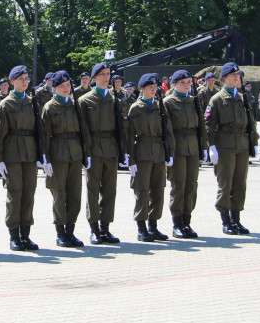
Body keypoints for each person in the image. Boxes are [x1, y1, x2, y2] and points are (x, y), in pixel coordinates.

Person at [204, 62, 258, 235]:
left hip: (242, 143)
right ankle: (225, 221)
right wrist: (211, 146)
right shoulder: (217, 99)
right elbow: (208, 124)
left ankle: (236, 219)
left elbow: (251, 121)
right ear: (224, 78)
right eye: (233, 75)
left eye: (238, 75)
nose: (237, 78)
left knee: (240, 183)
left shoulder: (243, 97)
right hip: (225, 144)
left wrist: (254, 142)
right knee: (225, 183)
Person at [0, 65, 41, 251]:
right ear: (12, 81)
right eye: (20, 78)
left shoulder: (32, 103)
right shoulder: (6, 104)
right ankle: (14, 235)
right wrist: (0, 159)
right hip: (12, 154)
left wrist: (40, 155)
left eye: (26, 78)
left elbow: (38, 132)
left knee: (29, 194)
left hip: (29, 154)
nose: (24, 81)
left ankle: (26, 235)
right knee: (15, 194)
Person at [77, 62, 126, 244]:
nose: (106, 77)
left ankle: (106, 228)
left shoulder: (114, 100)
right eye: (102, 74)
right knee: (93, 189)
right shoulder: (85, 101)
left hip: (111, 148)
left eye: (108, 74)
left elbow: (121, 128)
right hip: (94, 148)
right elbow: (83, 130)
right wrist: (86, 153)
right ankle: (94, 228)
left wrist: (123, 151)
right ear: (94, 78)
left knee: (109, 190)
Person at [41, 70, 90, 248]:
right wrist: (45, 159)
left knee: (75, 194)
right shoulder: (49, 107)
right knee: (59, 194)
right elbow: (45, 135)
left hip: (75, 154)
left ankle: (71, 230)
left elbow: (83, 132)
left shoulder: (75, 105)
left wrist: (86, 155)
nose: (66, 89)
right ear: (54, 88)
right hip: (58, 154)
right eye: (61, 86)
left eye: (68, 85)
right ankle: (60, 232)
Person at [126, 73, 174, 241]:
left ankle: (153, 226)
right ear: (142, 89)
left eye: (155, 88)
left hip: (158, 153)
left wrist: (169, 153)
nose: (153, 90)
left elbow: (167, 131)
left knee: (158, 190)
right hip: (142, 152)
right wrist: (131, 159)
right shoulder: (136, 108)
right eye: (150, 88)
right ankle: (141, 227)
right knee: (142, 190)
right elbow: (129, 135)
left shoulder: (160, 107)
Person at [163, 70, 204, 239]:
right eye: (182, 83)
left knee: (191, 185)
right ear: (174, 84)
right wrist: (169, 151)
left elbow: (200, 125)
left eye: (188, 82)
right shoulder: (168, 102)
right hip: (178, 147)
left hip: (192, 147)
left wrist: (204, 147)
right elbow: (167, 129)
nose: (186, 85)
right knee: (178, 185)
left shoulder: (193, 101)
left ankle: (187, 221)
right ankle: (177, 223)